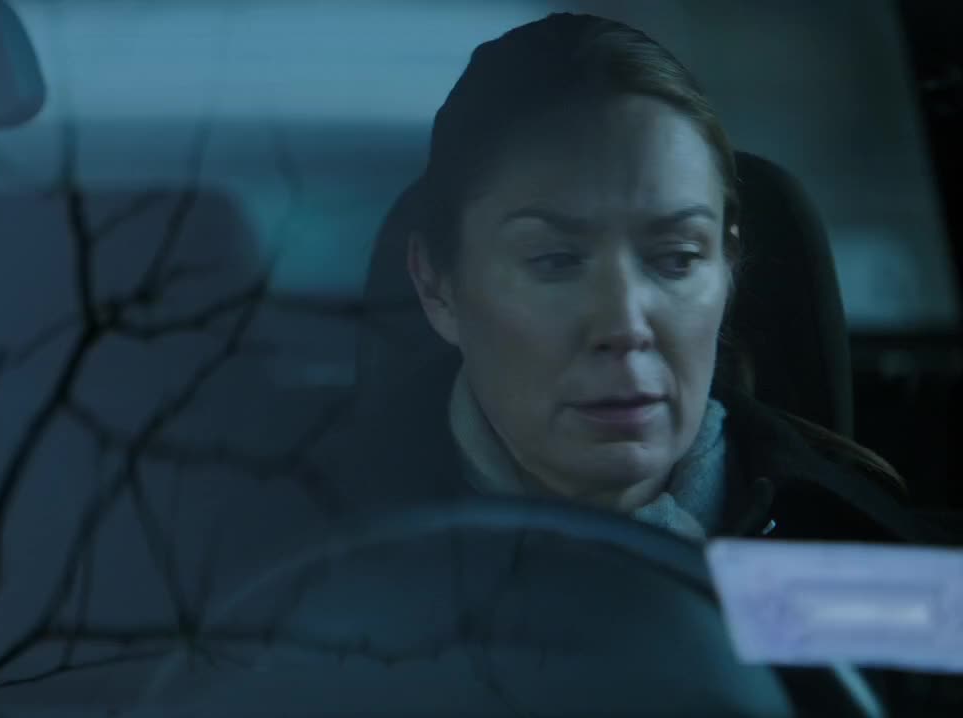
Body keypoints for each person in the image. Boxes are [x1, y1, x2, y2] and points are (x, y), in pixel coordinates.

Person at [318, 12, 944, 546]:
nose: (624, 325)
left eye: (676, 259)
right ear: (437, 286)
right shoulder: (301, 552)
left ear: (728, 269)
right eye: (554, 260)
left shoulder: (863, 552)